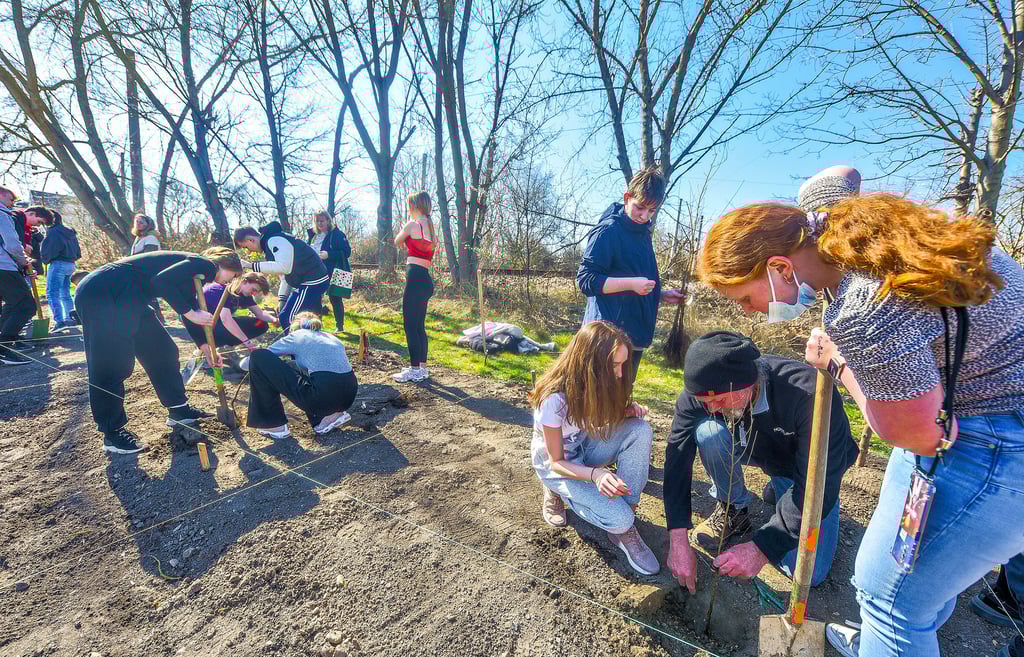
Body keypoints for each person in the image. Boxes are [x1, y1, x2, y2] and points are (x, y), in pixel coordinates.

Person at [698, 191, 1024, 657]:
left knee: (889, 599)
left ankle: (889, 638)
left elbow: (916, 435)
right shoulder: (889, 243)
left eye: (746, 299)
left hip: (993, 444)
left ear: (781, 268)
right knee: (917, 577)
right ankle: (882, 639)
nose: (748, 313)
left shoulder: (864, 306)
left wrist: (835, 364)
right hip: (981, 415)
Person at [664, 331, 858, 593]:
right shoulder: (701, 393)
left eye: (720, 400)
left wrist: (761, 548)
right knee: (708, 433)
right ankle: (734, 510)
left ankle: (783, 492)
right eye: (705, 402)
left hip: (803, 469)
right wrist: (677, 537)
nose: (712, 408)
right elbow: (677, 458)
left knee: (809, 573)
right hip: (754, 448)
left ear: (749, 383)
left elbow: (819, 485)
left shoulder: (809, 394)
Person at [74, 247, 244, 455]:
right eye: (233, 275)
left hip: (130, 298)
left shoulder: (193, 271)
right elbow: (161, 282)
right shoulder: (204, 264)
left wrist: (205, 346)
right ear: (225, 264)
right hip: (103, 294)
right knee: (112, 365)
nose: (228, 282)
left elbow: (189, 311)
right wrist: (191, 313)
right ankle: (113, 433)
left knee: (162, 351)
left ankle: (179, 409)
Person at [528, 320, 658, 576]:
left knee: (640, 429)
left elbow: (594, 421)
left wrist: (626, 412)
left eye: (623, 364)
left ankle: (627, 522)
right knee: (616, 518)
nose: (621, 374)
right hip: (559, 465)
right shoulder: (554, 399)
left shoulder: (598, 384)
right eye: (614, 365)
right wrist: (596, 474)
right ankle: (556, 490)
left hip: (585, 447)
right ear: (591, 362)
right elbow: (557, 461)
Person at [576, 166, 682, 382]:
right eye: (640, 208)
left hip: (634, 336)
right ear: (627, 197)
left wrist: (660, 294)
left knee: (619, 406)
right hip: (606, 339)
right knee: (596, 405)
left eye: (652, 211)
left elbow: (632, 276)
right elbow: (586, 280)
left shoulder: (642, 234)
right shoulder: (608, 231)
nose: (645, 216)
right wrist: (631, 284)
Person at [240, 311, 357, 440]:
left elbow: (253, 362)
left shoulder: (297, 335)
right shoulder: (330, 337)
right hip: (348, 397)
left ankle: (273, 424)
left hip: (322, 399)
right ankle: (326, 417)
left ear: (294, 326)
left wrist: (244, 361)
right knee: (293, 365)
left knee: (258, 357)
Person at [234, 222, 329, 333]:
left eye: (246, 247)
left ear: (251, 240)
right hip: (312, 281)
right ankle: (313, 347)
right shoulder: (271, 243)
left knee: (288, 318)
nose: (249, 251)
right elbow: (285, 277)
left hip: (313, 281)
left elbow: (284, 267)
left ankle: (294, 348)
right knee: (310, 320)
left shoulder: (274, 240)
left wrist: (251, 265)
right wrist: (282, 299)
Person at [182, 272, 277, 367]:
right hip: (203, 326)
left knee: (260, 324)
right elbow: (226, 320)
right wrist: (246, 342)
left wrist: (275, 320)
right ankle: (215, 347)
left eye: (257, 292)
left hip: (219, 323)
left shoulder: (244, 294)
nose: (254, 294)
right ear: (244, 281)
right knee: (231, 326)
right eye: (254, 289)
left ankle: (225, 346)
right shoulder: (221, 290)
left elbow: (260, 313)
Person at [392, 191, 435, 383]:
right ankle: (422, 368)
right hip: (425, 278)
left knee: (410, 325)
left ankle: (414, 370)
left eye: (410, 205)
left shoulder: (412, 224)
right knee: (419, 326)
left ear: (415, 206)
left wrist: (406, 238)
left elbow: (396, 241)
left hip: (415, 277)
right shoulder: (431, 227)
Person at [0, 185, 36, 364]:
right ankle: (4, 347)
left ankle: (4, 346)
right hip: (3, 267)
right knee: (27, 305)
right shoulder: (2, 214)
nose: (12, 204)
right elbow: (12, 244)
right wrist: (23, 262)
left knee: (11, 305)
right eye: (11, 199)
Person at [32, 206, 81, 334]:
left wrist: (45, 259)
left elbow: (49, 251)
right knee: (65, 293)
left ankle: (60, 322)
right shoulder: (69, 231)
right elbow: (78, 251)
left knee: (52, 293)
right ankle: (69, 319)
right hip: (70, 264)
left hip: (58, 263)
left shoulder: (53, 232)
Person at [306, 210, 352, 330]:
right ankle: (316, 325)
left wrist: (329, 255)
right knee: (315, 298)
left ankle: (339, 327)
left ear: (328, 221)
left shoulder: (337, 234)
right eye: (317, 221)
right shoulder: (312, 235)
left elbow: (347, 252)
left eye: (322, 221)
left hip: (334, 271)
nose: (319, 223)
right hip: (315, 271)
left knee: (335, 298)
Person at [129, 214, 165, 323]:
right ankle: (151, 319)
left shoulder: (151, 237)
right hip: (138, 269)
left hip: (147, 270)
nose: (139, 224)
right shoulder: (139, 237)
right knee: (145, 294)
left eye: (141, 222)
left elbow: (149, 257)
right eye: (137, 222)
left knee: (149, 294)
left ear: (148, 224)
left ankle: (158, 319)